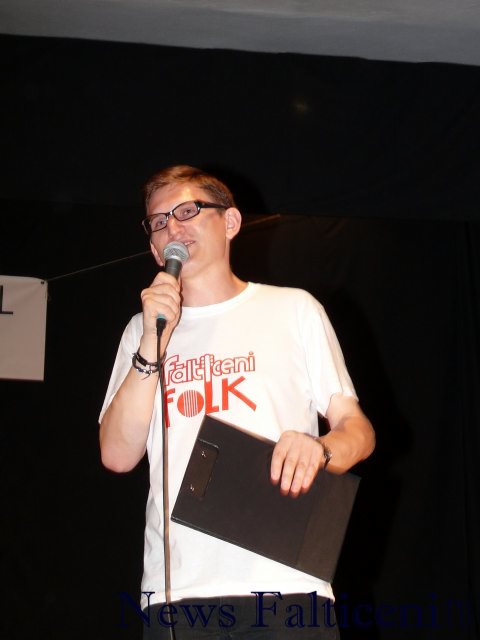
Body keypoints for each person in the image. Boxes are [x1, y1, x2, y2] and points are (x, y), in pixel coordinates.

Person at [99, 165, 375, 639]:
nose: (173, 227)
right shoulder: (141, 332)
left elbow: (358, 430)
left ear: (230, 222)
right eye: (159, 221)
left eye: (187, 211)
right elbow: (117, 455)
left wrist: (320, 450)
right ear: (154, 248)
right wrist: (150, 345)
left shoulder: (293, 310)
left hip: (287, 584)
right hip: (178, 595)